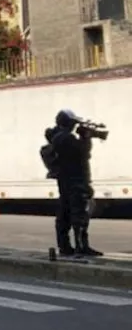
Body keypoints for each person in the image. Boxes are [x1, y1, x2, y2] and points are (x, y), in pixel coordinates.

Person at [45, 109, 101, 257]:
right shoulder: (67, 139)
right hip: (77, 181)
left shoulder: (56, 138)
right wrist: (86, 138)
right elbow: (83, 153)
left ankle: (64, 246)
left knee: (64, 215)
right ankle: (81, 247)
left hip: (65, 182)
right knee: (80, 215)